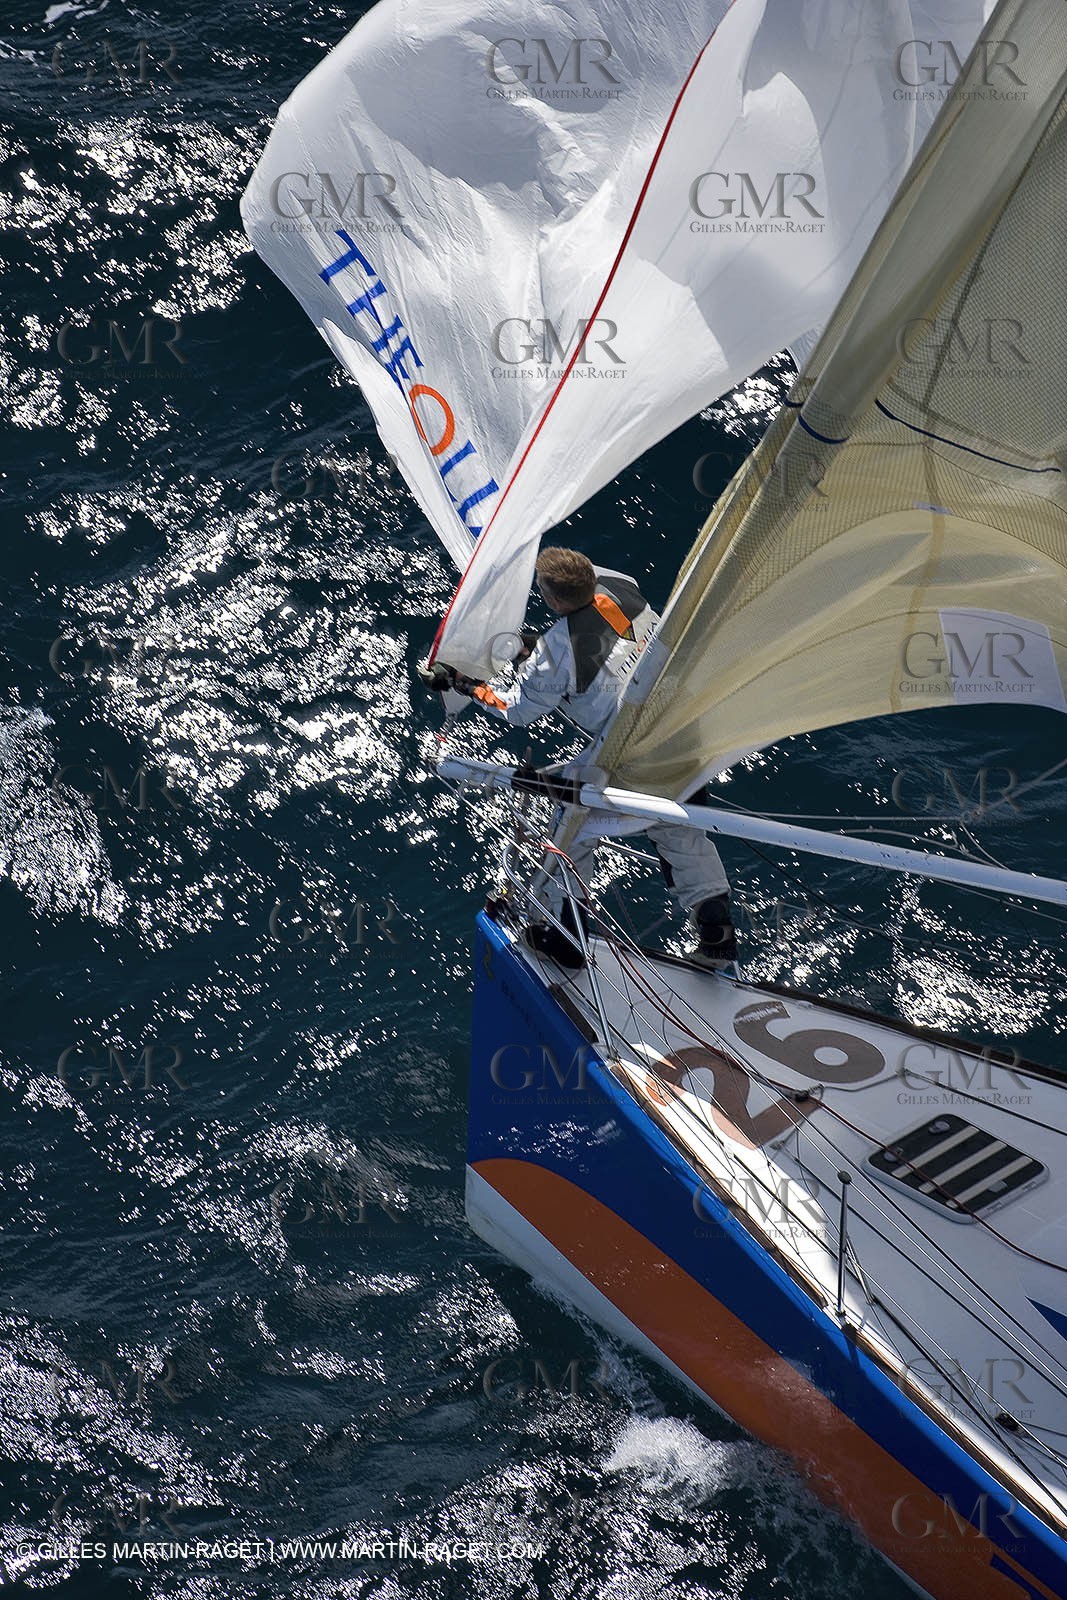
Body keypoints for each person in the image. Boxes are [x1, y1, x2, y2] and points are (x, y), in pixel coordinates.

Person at [431, 547, 737, 970]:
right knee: (681, 836)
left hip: (628, 751)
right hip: (679, 728)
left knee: (570, 828)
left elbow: (518, 711)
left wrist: (467, 685)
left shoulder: (555, 653)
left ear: (553, 601)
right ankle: (718, 942)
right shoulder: (621, 582)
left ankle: (568, 941)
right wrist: (534, 650)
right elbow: (595, 636)